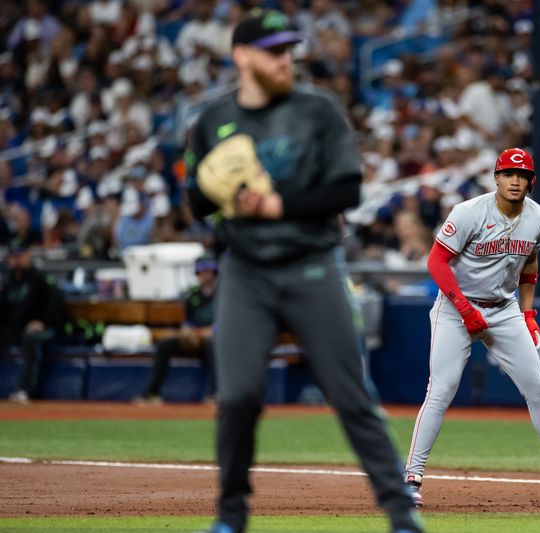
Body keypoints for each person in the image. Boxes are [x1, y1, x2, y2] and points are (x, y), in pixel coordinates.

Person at [184, 9, 424, 533]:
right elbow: (196, 203)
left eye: (288, 49)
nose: (285, 59)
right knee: (239, 395)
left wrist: (277, 204)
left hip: (312, 265)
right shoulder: (213, 120)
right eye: (273, 51)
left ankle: (402, 515)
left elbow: (346, 191)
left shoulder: (317, 110)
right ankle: (230, 517)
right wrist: (219, 189)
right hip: (245, 271)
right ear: (242, 57)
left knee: (350, 394)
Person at [404, 148, 540, 507]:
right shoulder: (469, 213)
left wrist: (528, 313)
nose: (515, 180)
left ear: (531, 182)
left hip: (503, 309)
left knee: (538, 387)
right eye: (508, 174)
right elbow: (436, 261)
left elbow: (530, 264)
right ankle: (411, 478)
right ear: (496, 178)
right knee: (442, 388)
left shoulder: (538, 217)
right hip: (454, 308)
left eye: (522, 175)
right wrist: (463, 308)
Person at [134, 258, 218, 405]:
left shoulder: (223, 294)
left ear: (214, 273)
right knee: (164, 345)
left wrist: (208, 331)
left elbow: (227, 323)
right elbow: (187, 321)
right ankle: (153, 393)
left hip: (214, 338)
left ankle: (216, 394)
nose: (205, 275)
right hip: (194, 338)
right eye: (202, 271)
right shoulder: (193, 295)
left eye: (208, 271)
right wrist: (186, 332)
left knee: (212, 343)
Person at [2, 245, 64, 403]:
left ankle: (24, 390)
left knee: (32, 337)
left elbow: (57, 302)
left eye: (20, 256)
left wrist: (43, 321)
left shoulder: (39, 278)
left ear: (28, 256)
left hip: (44, 329)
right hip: (15, 329)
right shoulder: (7, 282)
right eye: (14, 257)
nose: (17, 260)